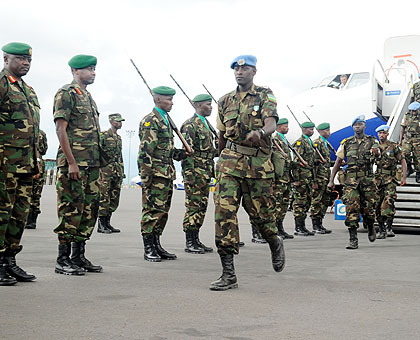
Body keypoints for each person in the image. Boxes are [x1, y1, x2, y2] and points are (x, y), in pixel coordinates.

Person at [210, 55, 285, 291]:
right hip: (229, 164)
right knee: (224, 214)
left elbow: (272, 122)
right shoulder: (224, 101)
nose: (239, 72)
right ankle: (228, 273)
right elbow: (221, 134)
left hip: (257, 164)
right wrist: (219, 160)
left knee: (262, 217)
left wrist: (261, 132)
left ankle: (274, 241)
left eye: (244, 68)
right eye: (236, 68)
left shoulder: (265, 94)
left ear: (254, 71)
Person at [53, 54, 102, 275]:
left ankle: (78, 256)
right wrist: (71, 163)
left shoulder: (89, 97)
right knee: (70, 209)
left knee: (89, 211)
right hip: (74, 165)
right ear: (75, 71)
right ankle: (62, 259)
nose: (93, 72)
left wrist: (98, 168)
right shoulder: (66, 93)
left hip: (91, 166)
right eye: (89, 69)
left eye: (93, 69)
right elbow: (60, 129)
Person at [0, 42, 39, 285]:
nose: (25, 63)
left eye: (28, 60)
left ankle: (9, 261)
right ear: (6, 59)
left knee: (19, 214)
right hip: (4, 164)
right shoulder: (2, 84)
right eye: (20, 59)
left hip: (25, 165)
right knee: (1, 214)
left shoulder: (28, 89)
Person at [138, 86, 187, 262]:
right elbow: (145, 152)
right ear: (158, 100)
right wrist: (146, 177)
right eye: (168, 99)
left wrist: (179, 154)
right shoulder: (151, 121)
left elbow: (165, 149)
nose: (171, 103)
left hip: (167, 173)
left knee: (163, 212)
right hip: (155, 175)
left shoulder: (165, 120)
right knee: (152, 211)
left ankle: (157, 244)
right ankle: (148, 247)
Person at [328, 115, 380, 249]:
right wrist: (331, 180)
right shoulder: (346, 143)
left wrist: (376, 153)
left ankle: (370, 226)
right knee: (351, 208)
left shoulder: (372, 140)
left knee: (368, 209)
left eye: (360, 124)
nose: (358, 127)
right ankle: (353, 238)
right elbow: (338, 162)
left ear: (364, 126)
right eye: (355, 125)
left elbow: (377, 153)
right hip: (351, 181)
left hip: (367, 180)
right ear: (353, 127)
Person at [180, 94, 217, 254]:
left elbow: (210, 150)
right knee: (193, 206)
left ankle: (196, 239)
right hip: (195, 172)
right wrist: (189, 176)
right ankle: (190, 241)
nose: (211, 107)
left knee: (202, 206)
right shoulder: (190, 125)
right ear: (199, 105)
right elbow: (187, 152)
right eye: (208, 104)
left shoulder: (207, 124)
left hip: (206, 171)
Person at [375, 124, 407, 239]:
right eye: (379, 133)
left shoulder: (393, 146)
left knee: (388, 201)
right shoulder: (375, 147)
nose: (381, 135)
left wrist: (403, 177)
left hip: (390, 180)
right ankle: (381, 229)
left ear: (387, 134)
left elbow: (402, 160)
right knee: (377, 204)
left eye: (383, 133)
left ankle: (389, 227)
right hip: (378, 180)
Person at [98, 113, 125, 234]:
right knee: (104, 197)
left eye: (121, 121)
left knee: (114, 198)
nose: (120, 123)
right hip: (105, 172)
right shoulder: (103, 136)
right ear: (111, 121)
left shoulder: (119, 139)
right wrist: (98, 171)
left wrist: (122, 172)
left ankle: (108, 223)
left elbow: (120, 156)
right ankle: (101, 224)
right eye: (118, 121)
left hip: (116, 172)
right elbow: (97, 153)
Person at [291, 122, 317, 236]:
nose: (312, 131)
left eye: (313, 129)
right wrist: (296, 179)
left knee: (306, 202)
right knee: (300, 202)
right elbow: (297, 162)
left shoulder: (309, 142)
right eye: (310, 130)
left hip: (308, 178)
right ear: (303, 129)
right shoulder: (300, 142)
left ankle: (303, 226)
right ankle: (298, 227)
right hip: (301, 178)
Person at [272, 118, 294, 239]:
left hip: (287, 178)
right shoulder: (275, 140)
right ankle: (274, 229)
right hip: (279, 179)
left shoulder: (285, 141)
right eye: (285, 126)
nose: (287, 128)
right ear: (278, 127)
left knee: (284, 205)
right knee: (277, 204)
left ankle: (280, 228)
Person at [310, 123, 333, 234]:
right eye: (327, 130)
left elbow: (325, 162)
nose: (329, 132)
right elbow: (313, 163)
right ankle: (315, 225)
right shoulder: (316, 144)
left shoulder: (325, 143)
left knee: (325, 200)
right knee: (317, 201)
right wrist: (314, 180)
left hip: (326, 177)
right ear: (320, 131)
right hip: (319, 178)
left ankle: (320, 223)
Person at [26, 129, 47, 229]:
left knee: (24, 193)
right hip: (39, 165)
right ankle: (32, 220)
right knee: (36, 194)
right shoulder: (42, 133)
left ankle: (24, 219)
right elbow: (44, 150)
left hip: (25, 163)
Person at [399, 101, 420, 183]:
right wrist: (400, 141)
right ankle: (409, 168)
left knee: (418, 158)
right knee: (404, 153)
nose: (413, 112)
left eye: (415, 111)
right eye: (412, 111)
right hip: (407, 138)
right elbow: (402, 128)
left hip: (418, 139)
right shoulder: (407, 115)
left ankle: (418, 173)